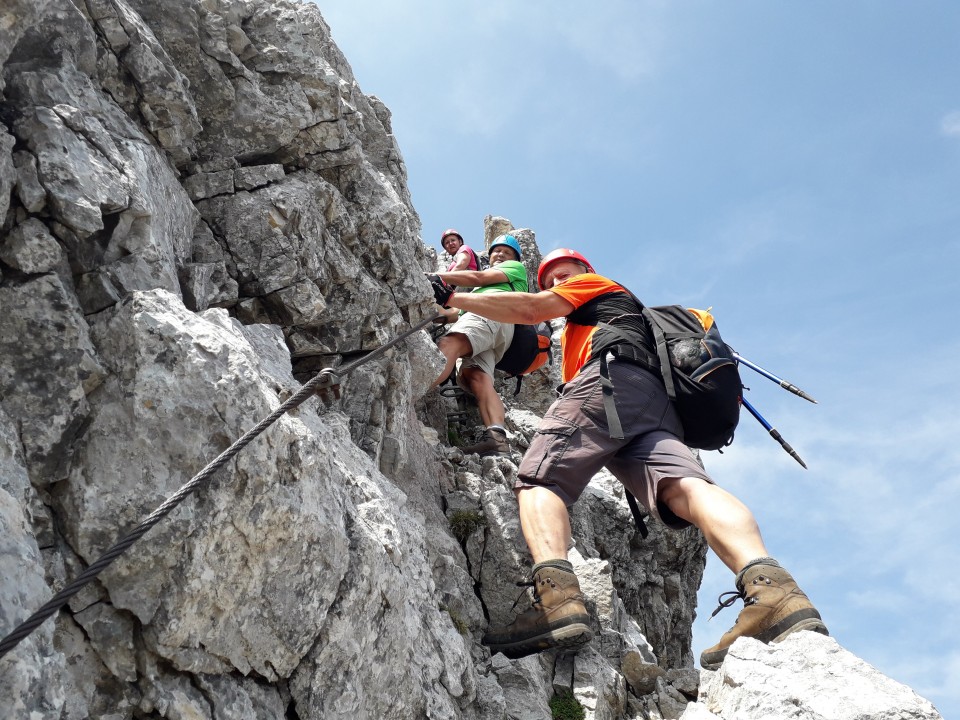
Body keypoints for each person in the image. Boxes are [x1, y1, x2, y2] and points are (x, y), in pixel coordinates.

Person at [429, 248, 827, 666]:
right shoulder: (622, 317)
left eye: (562, 274)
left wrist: (450, 297)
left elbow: (530, 307)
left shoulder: (593, 287)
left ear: (585, 272)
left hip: (608, 385)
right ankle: (773, 589)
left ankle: (556, 600)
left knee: (540, 481)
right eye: (549, 279)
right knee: (686, 489)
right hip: (656, 406)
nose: (555, 283)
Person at [429, 234, 528, 456]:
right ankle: (497, 439)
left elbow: (476, 277)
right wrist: (434, 312)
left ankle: (413, 392)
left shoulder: (514, 269)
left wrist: (435, 277)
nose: (501, 255)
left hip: (489, 316)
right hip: (497, 330)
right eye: (497, 251)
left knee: (450, 343)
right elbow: (454, 313)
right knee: (477, 377)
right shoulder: (482, 291)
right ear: (490, 255)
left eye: (507, 252)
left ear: (515, 258)